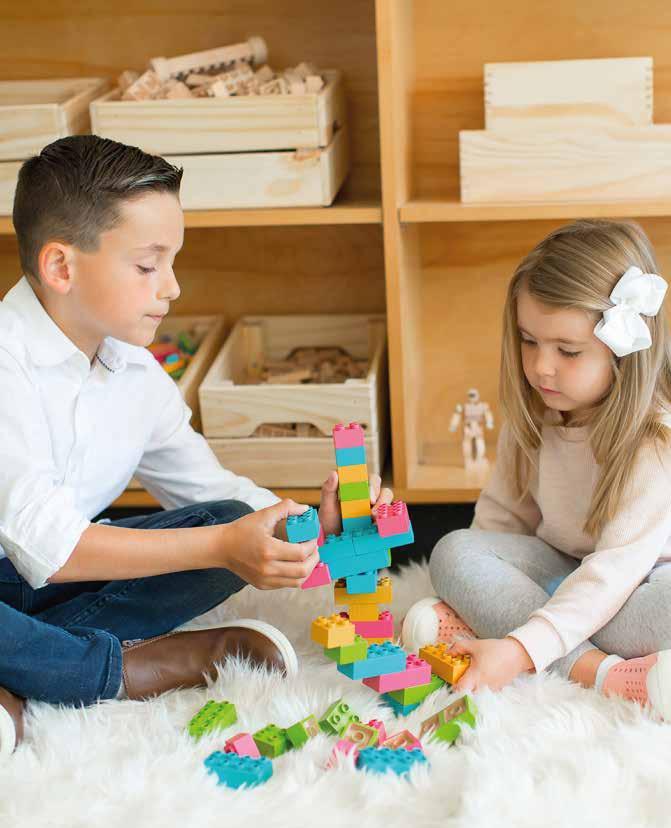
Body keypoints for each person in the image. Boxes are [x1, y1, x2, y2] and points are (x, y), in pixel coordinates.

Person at [0, 135, 391, 756]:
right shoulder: (7, 361)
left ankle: (29, 667)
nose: (173, 287)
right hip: (23, 573)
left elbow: (209, 493)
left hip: (40, 591)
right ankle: (125, 668)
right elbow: (53, 547)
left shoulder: (133, 370)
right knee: (217, 540)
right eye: (148, 266)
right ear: (61, 268)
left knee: (229, 520)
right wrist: (220, 546)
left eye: (172, 262)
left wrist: (310, 525)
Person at [402, 219, 671, 719]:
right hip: (559, 572)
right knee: (454, 549)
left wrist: (514, 637)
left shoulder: (656, 439)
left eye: (568, 351)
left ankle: (531, 645)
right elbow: (501, 521)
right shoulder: (536, 411)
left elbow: (614, 573)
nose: (542, 367)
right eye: (529, 341)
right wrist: (472, 587)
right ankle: (603, 671)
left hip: (637, 583)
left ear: (625, 352)